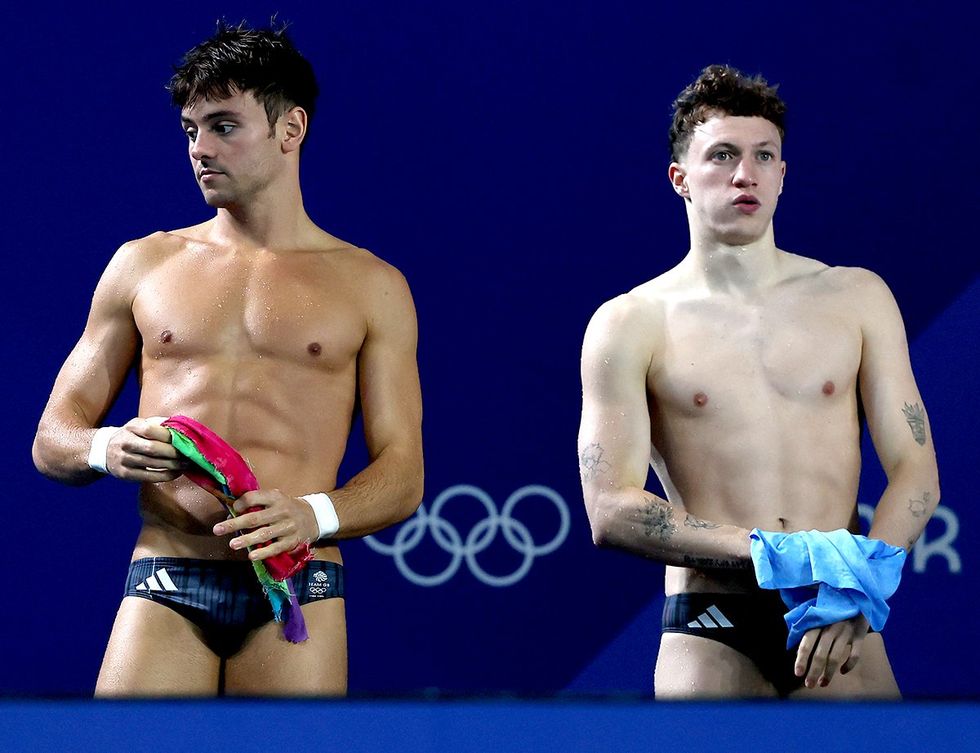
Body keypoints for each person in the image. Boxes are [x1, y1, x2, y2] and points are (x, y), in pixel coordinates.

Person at [32, 21, 424, 697]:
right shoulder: (143, 264)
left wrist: (312, 515)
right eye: (190, 130)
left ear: (290, 129)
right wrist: (104, 448)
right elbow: (51, 438)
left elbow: (403, 473)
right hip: (165, 573)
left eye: (223, 126)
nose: (199, 149)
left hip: (297, 582)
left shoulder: (371, 285)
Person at [577, 65, 939, 699]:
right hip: (713, 627)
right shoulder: (631, 322)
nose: (744, 173)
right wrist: (774, 555)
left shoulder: (856, 297)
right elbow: (610, 509)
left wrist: (862, 582)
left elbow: (916, 470)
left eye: (762, 156)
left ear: (781, 176)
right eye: (722, 155)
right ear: (680, 179)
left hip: (841, 618)